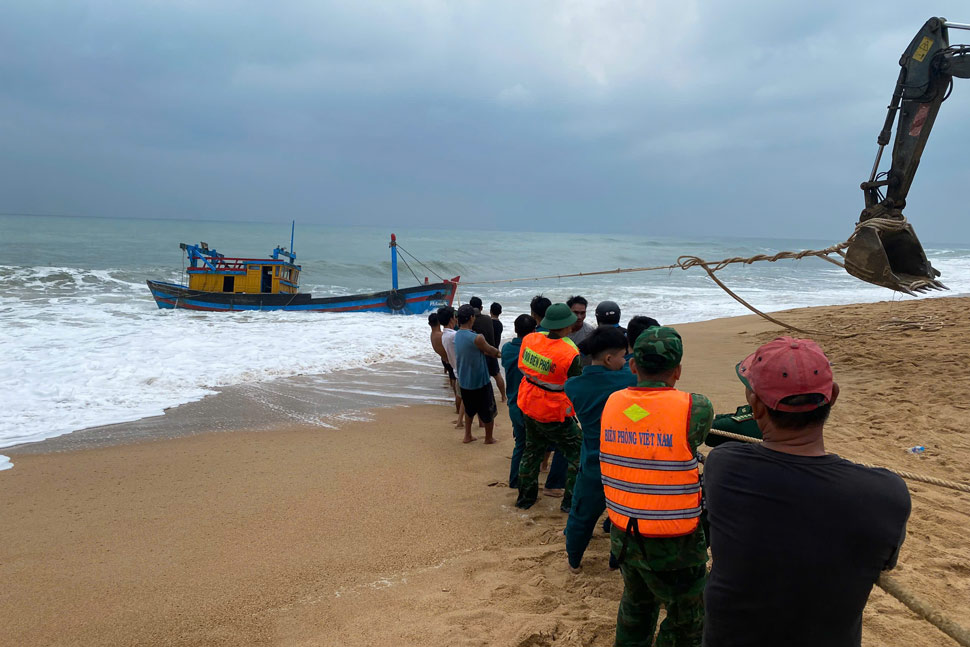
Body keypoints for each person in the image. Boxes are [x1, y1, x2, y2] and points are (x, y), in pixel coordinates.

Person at [703, 337, 911, 647]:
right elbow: (885, 560)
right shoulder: (886, 493)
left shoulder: (724, 466)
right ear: (833, 397)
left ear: (756, 405)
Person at [599, 326, 712, 647]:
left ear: (633, 365)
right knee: (685, 616)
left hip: (624, 532)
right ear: (677, 371)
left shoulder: (613, 403)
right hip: (675, 541)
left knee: (636, 604)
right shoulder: (696, 407)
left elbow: (642, 415)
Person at [563, 326, 636, 572]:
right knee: (624, 518)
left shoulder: (573, 386)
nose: (625, 360)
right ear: (608, 358)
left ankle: (574, 560)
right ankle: (616, 561)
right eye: (622, 355)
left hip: (594, 463)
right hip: (625, 464)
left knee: (581, 516)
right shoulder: (630, 381)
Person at [515, 303, 583, 512]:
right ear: (568, 326)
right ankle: (569, 503)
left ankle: (525, 499)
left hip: (528, 403)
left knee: (532, 451)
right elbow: (575, 384)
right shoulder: (570, 352)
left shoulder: (530, 339)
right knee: (578, 454)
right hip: (553, 410)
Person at [454, 304, 501, 444]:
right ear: (471, 318)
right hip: (479, 381)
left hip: (464, 380)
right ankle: (488, 438)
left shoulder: (457, 335)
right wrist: (499, 353)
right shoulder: (477, 338)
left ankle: (467, 435)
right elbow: (490, 350)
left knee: (469, 409)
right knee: (488, 411)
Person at [502, 313, 536, 488]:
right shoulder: (532, 353)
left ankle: (515, 480)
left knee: (520, 444)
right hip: (528, 404)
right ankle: (523, 482)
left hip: (513, 403)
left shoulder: (507, 349)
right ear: (533, 331)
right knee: (530, 446)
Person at [470, 296, 506, 403]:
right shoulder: (496, 323)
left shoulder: (474, 321)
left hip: (481, 352)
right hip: (493, 350)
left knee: (482, 378)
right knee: (497, 374)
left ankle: (481, 399)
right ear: (481, 307)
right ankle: (503, 396)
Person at [437, 306, 463, 424]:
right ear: (452, 318)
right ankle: (461, 422)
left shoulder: (445, 335)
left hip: (456, 369)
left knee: (460, 395)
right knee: (469, 399)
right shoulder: (454, 336)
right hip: (463, 369)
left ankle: (459, 418)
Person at [429, 312, 454, 383]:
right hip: (449, 360)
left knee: (451, 378)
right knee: (454, 379)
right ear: (439, 322)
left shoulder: (432, 334)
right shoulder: (441, 335)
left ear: (429, 324)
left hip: (444, 360)